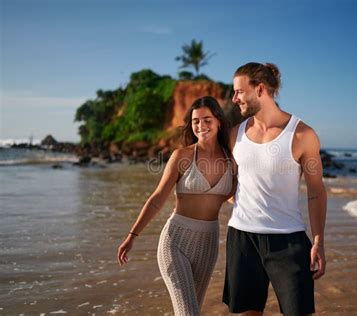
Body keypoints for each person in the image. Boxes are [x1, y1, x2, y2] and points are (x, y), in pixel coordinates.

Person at [223, 62, 327, 315]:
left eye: (239, 91)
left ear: (260, 89)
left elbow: (315, 192)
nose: (234, 98)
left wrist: (318, 242)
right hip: (242, 237)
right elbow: (228, 184)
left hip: (288, 240)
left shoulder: (302, 134)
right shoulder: (235, 133)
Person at [117, 96, 236, 315]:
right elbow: (157, 198)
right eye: (196, 121)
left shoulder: (231, 159)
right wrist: (132, 235)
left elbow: (237, 196)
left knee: (190, 311)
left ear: (219, 121)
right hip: (175, 242)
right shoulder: (182, 156)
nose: (201, 126)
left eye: (207, 119)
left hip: (208, 245)